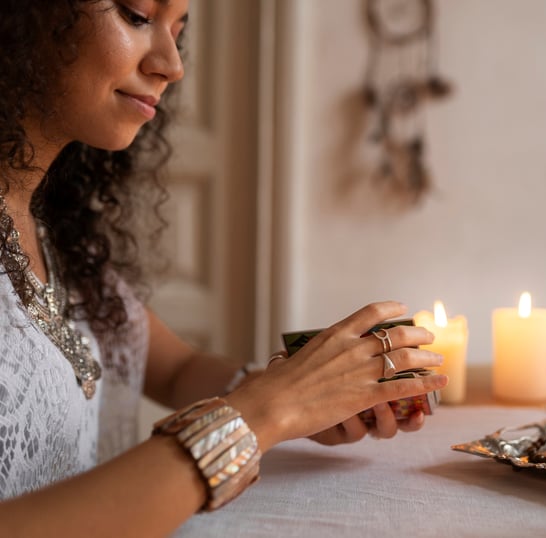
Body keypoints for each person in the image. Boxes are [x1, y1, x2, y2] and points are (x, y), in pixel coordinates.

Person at [0, 1, 448, 535]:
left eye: (178, 29)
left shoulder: (52, 231)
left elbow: (175, 368)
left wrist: (305, 394)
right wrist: (265, 413)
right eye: (137, 15)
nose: (171, 63)